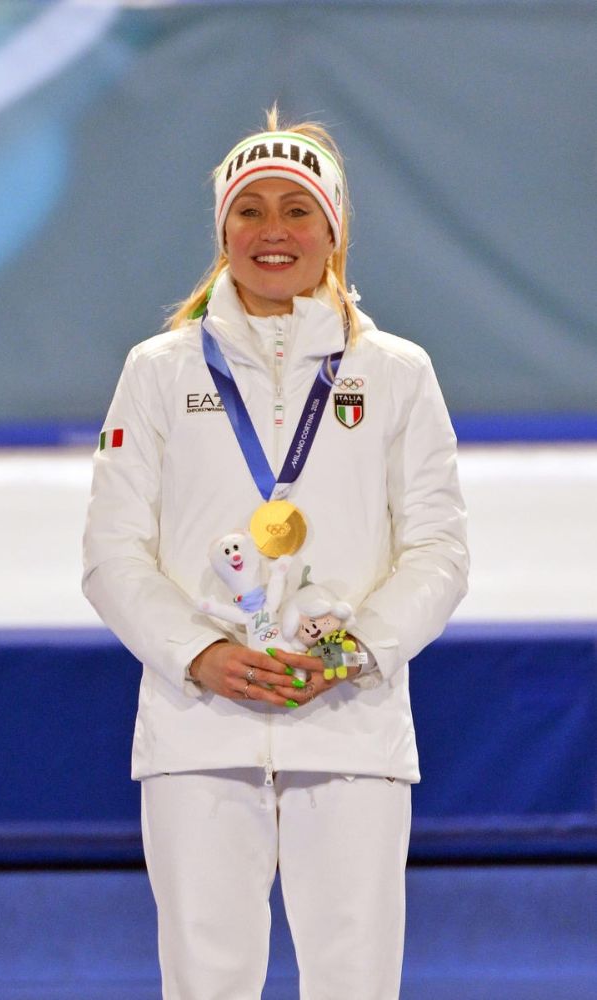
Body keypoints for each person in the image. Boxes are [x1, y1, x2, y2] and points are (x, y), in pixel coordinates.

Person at [82, 107, 468, 1000]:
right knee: (205, 984)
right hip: (198, 726)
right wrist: (200, 655)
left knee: (355, 983)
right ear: (223, 231)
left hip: (351, 722)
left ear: (333, 229)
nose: (273, 232)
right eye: (249, 211)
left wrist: (349, 654)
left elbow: (440, 551)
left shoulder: (397, 372)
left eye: (297, 210)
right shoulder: (158, 371)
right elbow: (111, 552)